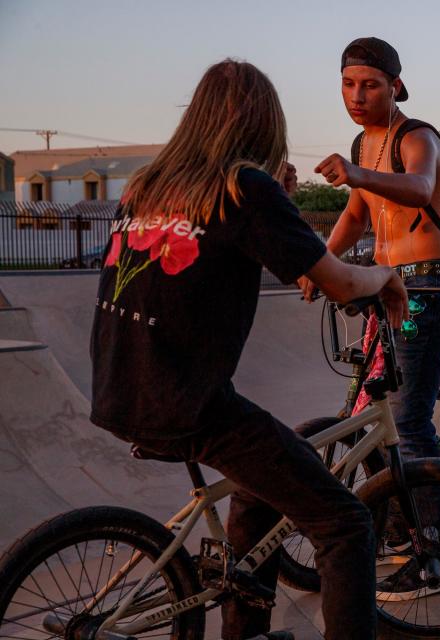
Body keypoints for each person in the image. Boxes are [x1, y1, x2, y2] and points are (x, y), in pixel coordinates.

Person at [89, 59, 408, 640]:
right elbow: (337, 280)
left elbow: (225, 251)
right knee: (344, 523)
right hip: (188, 402)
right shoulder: (243, 187)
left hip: (119, 387)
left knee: (257, 491)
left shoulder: (147, 185)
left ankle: (246, 630)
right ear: (263, 123)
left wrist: (278, 203)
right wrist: (384, 276)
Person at [298, 37, 440, 600]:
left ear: (394, 85)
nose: (357, 95)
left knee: (409, 420)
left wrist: (356, 173)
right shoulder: (361, 143)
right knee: (376, 418)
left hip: (428, 287)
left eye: (369, 84)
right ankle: (400, 533)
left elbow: (419, 190)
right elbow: (353, 216)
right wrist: (316, 263)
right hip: (384, 287)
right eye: (348, 84)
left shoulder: (416, 137)